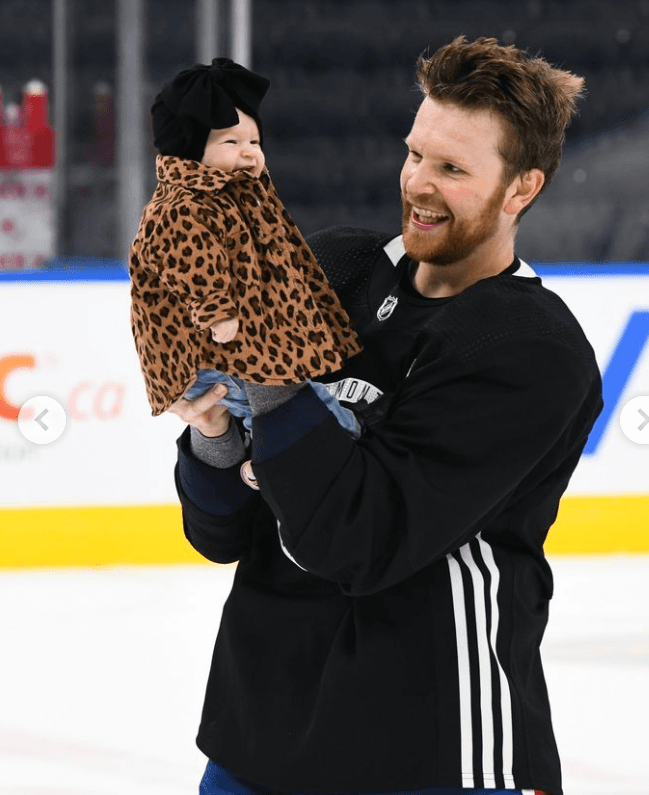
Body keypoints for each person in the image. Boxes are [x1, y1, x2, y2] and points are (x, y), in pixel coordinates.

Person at [168, 37, 603, 795]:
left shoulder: (530, 348)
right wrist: (211, 435)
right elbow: (223, 534)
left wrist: (272, 381)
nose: (419, 185)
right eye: (415, 154)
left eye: (453, 169)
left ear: (521, 188)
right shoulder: (338, 266)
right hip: (258, 730)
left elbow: (359, 542)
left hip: (430, 744)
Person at [128, 57, 362, 437]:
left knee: (287, 404)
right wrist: (216, 311)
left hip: (238, 348)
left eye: (255, 141)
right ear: (190, 152)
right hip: (207, 353)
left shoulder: (240, 195)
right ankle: (335, 444)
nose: (250, 151)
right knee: (294, 409)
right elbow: (189, 261)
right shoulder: (183, 206)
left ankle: (277, 457)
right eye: (232, 142)